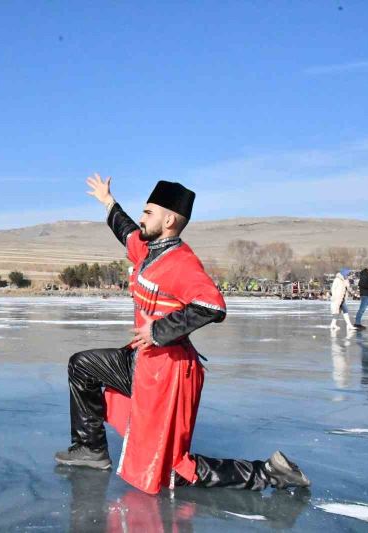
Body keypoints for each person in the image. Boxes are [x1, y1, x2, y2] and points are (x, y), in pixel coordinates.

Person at [54, 173, 310, 494]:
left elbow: (212, 305)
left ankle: (269, 472)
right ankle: (90, 448)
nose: (142, 219)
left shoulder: (181, 263)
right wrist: (108, 200)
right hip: (141, 359)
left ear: (170, 220)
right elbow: (127, 231)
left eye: (148, 213)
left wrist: (159, 330)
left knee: (172, 470)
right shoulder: (149, 249)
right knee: (83, 365)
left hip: (169, 373)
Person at [354, 265, 368, 330]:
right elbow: (362, 284)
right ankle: (357, 323)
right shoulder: (364, 274)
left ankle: (357, 323)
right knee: (362, 309)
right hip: (365, 295)